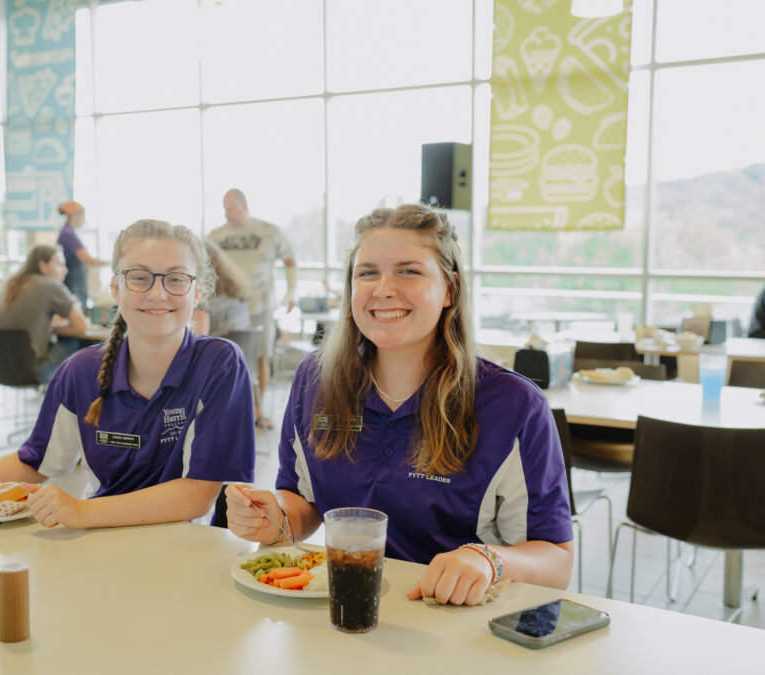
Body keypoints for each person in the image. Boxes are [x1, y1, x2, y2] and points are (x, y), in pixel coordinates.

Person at [225, 202, 574, 606]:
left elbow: (557, 563)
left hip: (458, 622)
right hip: (344, 611)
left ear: (450, 289)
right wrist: (274, 517)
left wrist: (488, 560)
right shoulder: (313, 380)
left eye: (409, 271)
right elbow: (305, 505)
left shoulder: (513, 404)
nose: (384, 288)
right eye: (367, 272)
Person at [0, 219, 256, 530]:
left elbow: (196, 496)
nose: (157, 292)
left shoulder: (220, 364)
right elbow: (34, 463)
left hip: (184, 547)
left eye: (176, 278)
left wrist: (82, 511)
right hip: (100, 543)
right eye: (139, 277)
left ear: (197, 293)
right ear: (116, 289)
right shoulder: (80, 372)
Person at [208, 189, 296, 429]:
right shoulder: (216, 235)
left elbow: (290, 262)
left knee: (261, 356)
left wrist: (291, 292)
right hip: (229, 309)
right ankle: (225, 409)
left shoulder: (269, 231)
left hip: (260, 305)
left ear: (244, 206)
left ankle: (257, 409)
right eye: (225, 209)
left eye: (231, 208)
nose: (227, 214)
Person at [0, 245, 91, 382]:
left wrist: (48, 328)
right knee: (76, 343)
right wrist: (74, 302)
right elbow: (82, 327)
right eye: (60, 265)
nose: (65, 271)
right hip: (32, 371)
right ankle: (79, 399)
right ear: (43, 266)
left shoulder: (11, 284)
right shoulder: (50, 285)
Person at [191, 239, 252, 337]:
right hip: (242, 350)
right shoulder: (233, 294)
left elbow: (196, 343)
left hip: (219, 350)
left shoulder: (205, 303)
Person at [56, 200, 109, 310]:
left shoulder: (68, 232)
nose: (84, 220)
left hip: (75, 282)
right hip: (73, 283)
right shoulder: (68, 234)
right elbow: (88, 260)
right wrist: (111, 262)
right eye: (83, 216)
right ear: (76, 215)